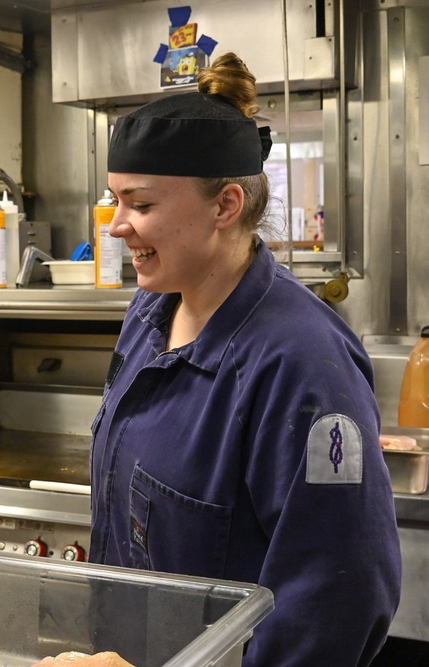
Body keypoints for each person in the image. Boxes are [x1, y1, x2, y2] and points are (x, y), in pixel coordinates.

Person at [88, 53, 401, 666]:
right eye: (115, 201)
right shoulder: (150, 313)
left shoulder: (304, 366)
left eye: (141, 204)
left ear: (226, 205)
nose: (117, 226)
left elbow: (340, 600)